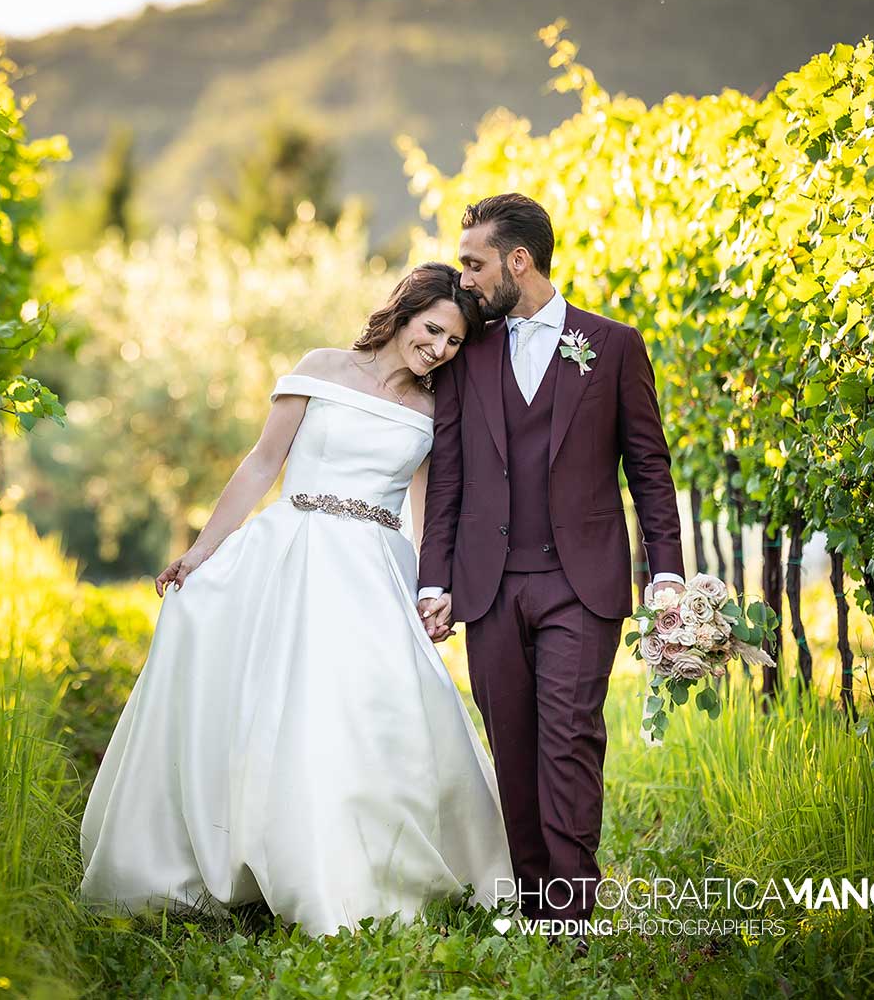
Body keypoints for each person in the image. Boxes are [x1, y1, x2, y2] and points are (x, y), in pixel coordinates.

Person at [77, 262, 516, 936]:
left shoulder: (436, 408)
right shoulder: (322, 368)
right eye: (433, 330)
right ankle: (240, 853)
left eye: (454, 342)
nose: (440, 349)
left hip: (373, 567)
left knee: (370, 711)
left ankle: (365, 866)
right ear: (404, 311)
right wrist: (201, 551)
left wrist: (436, 589)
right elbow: (260, 464)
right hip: (288, 549)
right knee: (264, 700)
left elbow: (430, 511)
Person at [415, 192, 684, 932]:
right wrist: (432, 577)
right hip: (489, 586)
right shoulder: (467, 355)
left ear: (518, 261)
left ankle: (570, 913)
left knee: (569, 739)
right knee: (515, 746)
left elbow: (649, 469)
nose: (464, 278)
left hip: (582, 583)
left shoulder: (614, 345)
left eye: (474, 263)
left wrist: (666, 571)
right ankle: (536, 906)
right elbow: (449, 475)